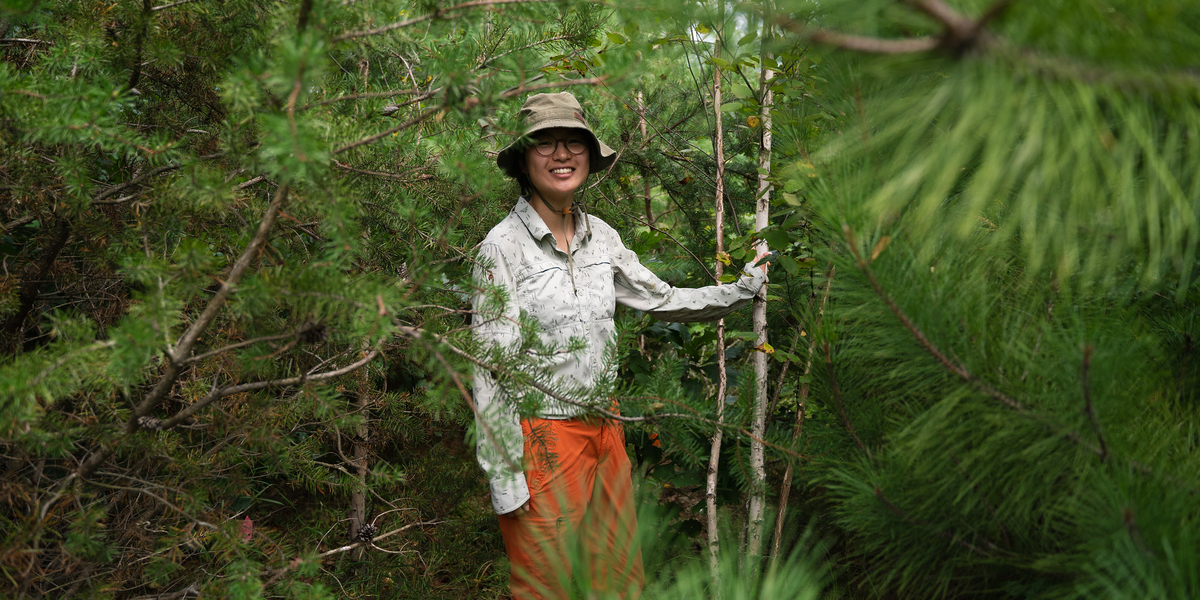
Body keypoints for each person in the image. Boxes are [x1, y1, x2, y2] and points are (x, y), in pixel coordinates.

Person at [471, 92, 768, 600]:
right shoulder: (501, 248)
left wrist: (740, 291)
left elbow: (663, 298)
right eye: (545, 143)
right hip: (542, 437)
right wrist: (505, 474)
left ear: (590, 156)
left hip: (605, 430)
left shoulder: (601, 237)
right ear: (523, 158)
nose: (562, 154)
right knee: (547, 586)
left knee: (617, 579)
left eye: (574, 143)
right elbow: (490, 368)